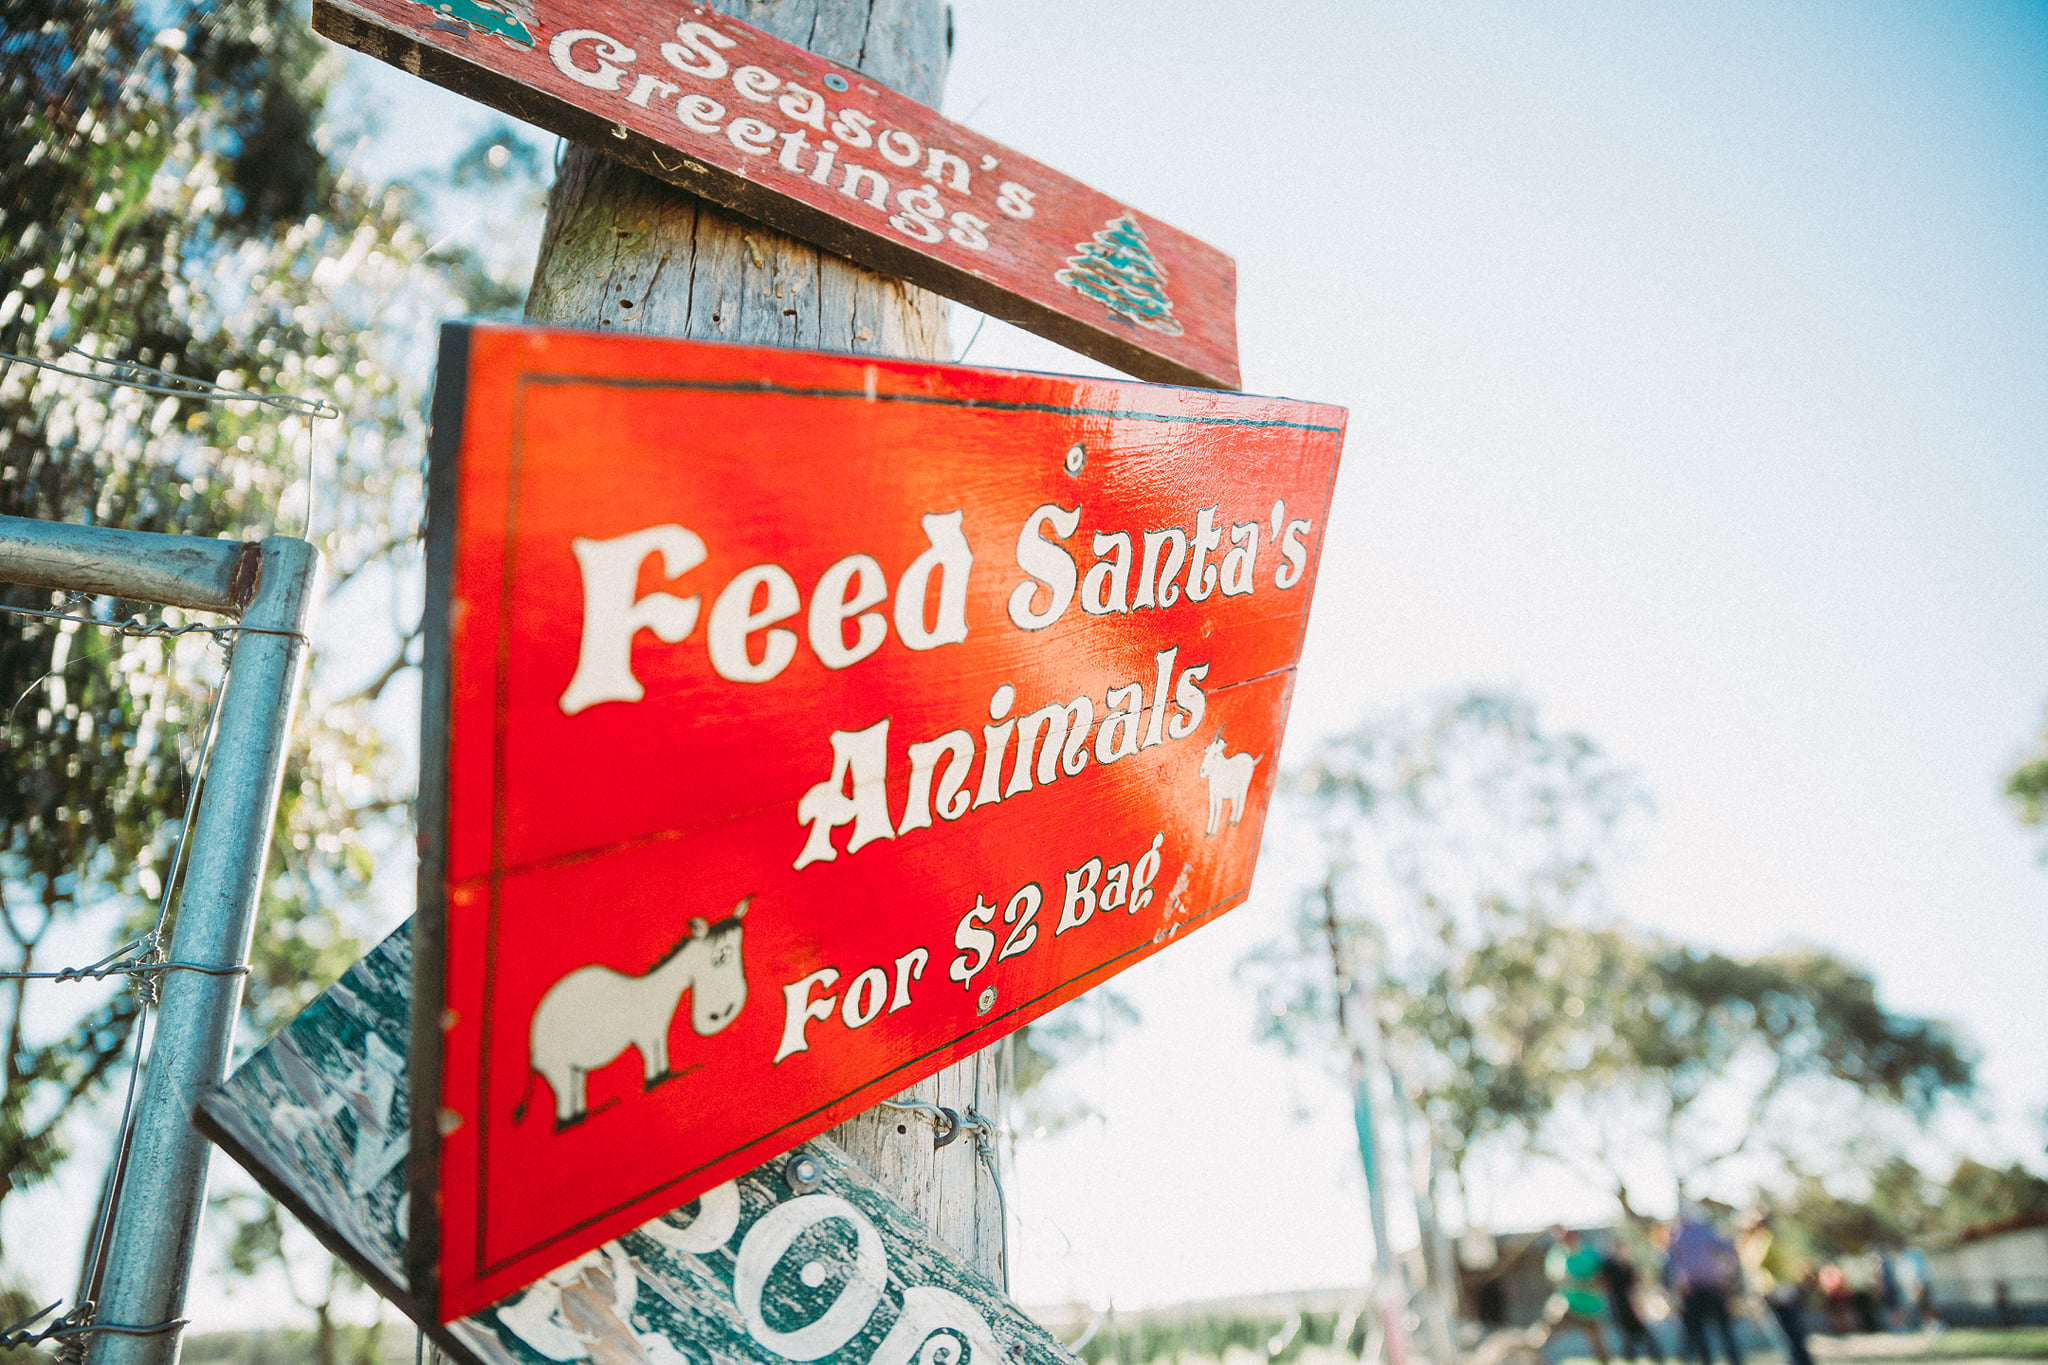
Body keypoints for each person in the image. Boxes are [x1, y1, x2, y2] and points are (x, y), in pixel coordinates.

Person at [1666, 1209, 1744, 1365]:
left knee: (1724, 1332)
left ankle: (1733, 1361)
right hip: (1693, 1291)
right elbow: (1672, 1264)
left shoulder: (1705, 1231)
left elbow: (1728, 1251)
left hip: (1712, 1287)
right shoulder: (1678, 1235)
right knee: (1702, 1335)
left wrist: (1727, 1274)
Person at [1738, 1211, 1812, 1365]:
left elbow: (1754, 1263)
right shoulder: (1778, 1237)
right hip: (1784, 1290)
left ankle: (1797, 1361)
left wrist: (1745, 1243)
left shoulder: (1764, 1239)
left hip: (1777, 1292)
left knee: (1786, 1334)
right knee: (1793, 1333)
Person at [1544, 1226, 1613, 1365]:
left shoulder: (1589, 1254)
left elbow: (1602, 1278)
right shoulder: (1558, 1254)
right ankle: (1530, 1353)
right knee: (1545, 1333)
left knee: (1599, 1343)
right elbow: (1554, 1276)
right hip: (1567, 1304)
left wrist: (1594, 1282)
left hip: (1589, 1306)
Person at [1600, 1240, 1666, 1363]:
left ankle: (1656, 1357)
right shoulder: (1609, 1266)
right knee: (1627, 1336)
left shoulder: (1629, 1266)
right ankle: (1632, 1358)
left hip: (1632, 1303)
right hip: (1618, 1304)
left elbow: (1637, 1282)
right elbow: (1604, 1284)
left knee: (1643, 1334)